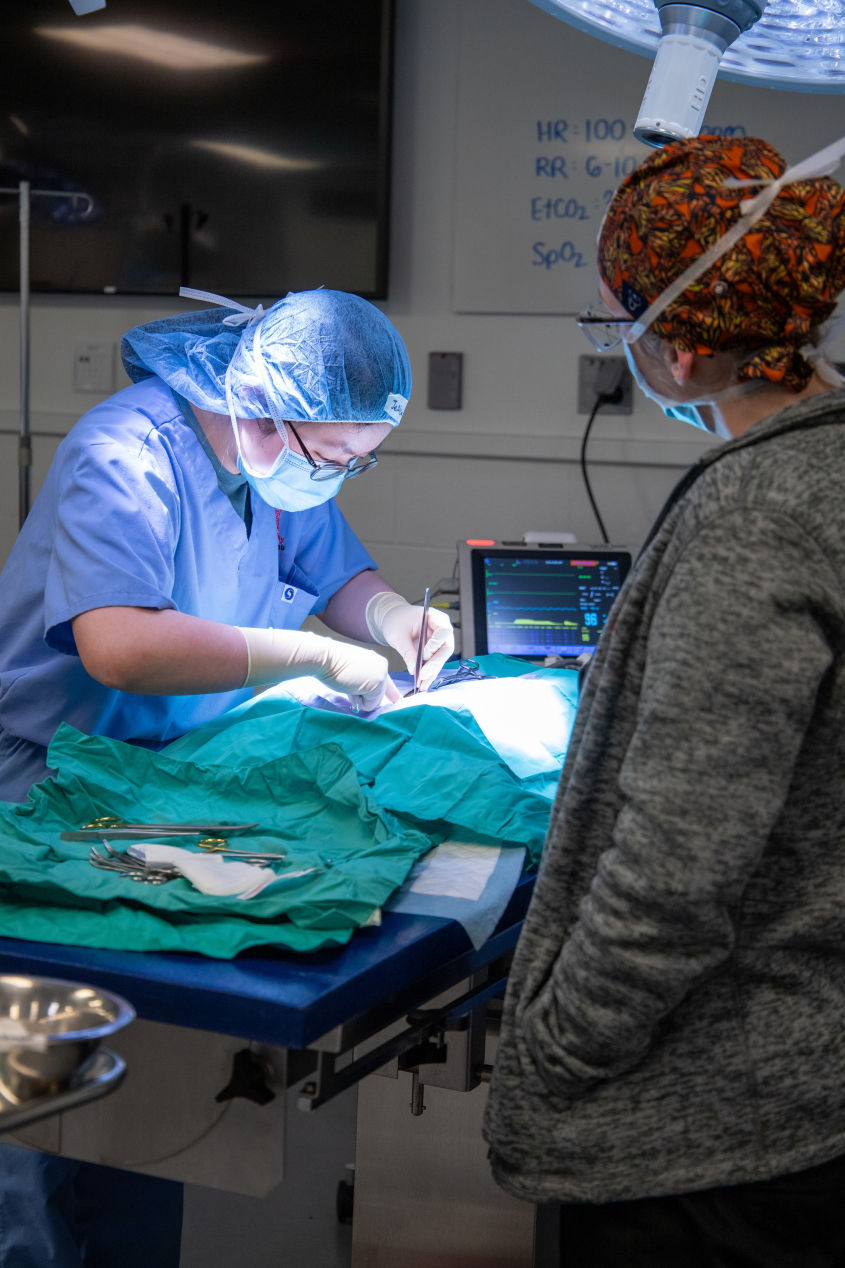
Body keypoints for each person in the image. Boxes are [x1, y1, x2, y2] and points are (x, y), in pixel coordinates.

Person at [0, 286, 453, 1264]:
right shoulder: (123, 453)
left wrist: (387, 620)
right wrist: (307, 656)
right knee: (36, 1116)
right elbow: (119, 646)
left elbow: (336, 568)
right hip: (44, 789)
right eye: (331, 457)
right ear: (260, 410)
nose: (337, 476)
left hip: (163, 784)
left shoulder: (272, 459)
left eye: (357, 461)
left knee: (145, 1096)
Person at [483, 134, 845, 1266]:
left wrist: (547, 1054)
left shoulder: (756, 512)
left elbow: (673, 875)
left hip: (717, 1139)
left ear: (678, 348)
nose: (620, 345)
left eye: (615, 322)